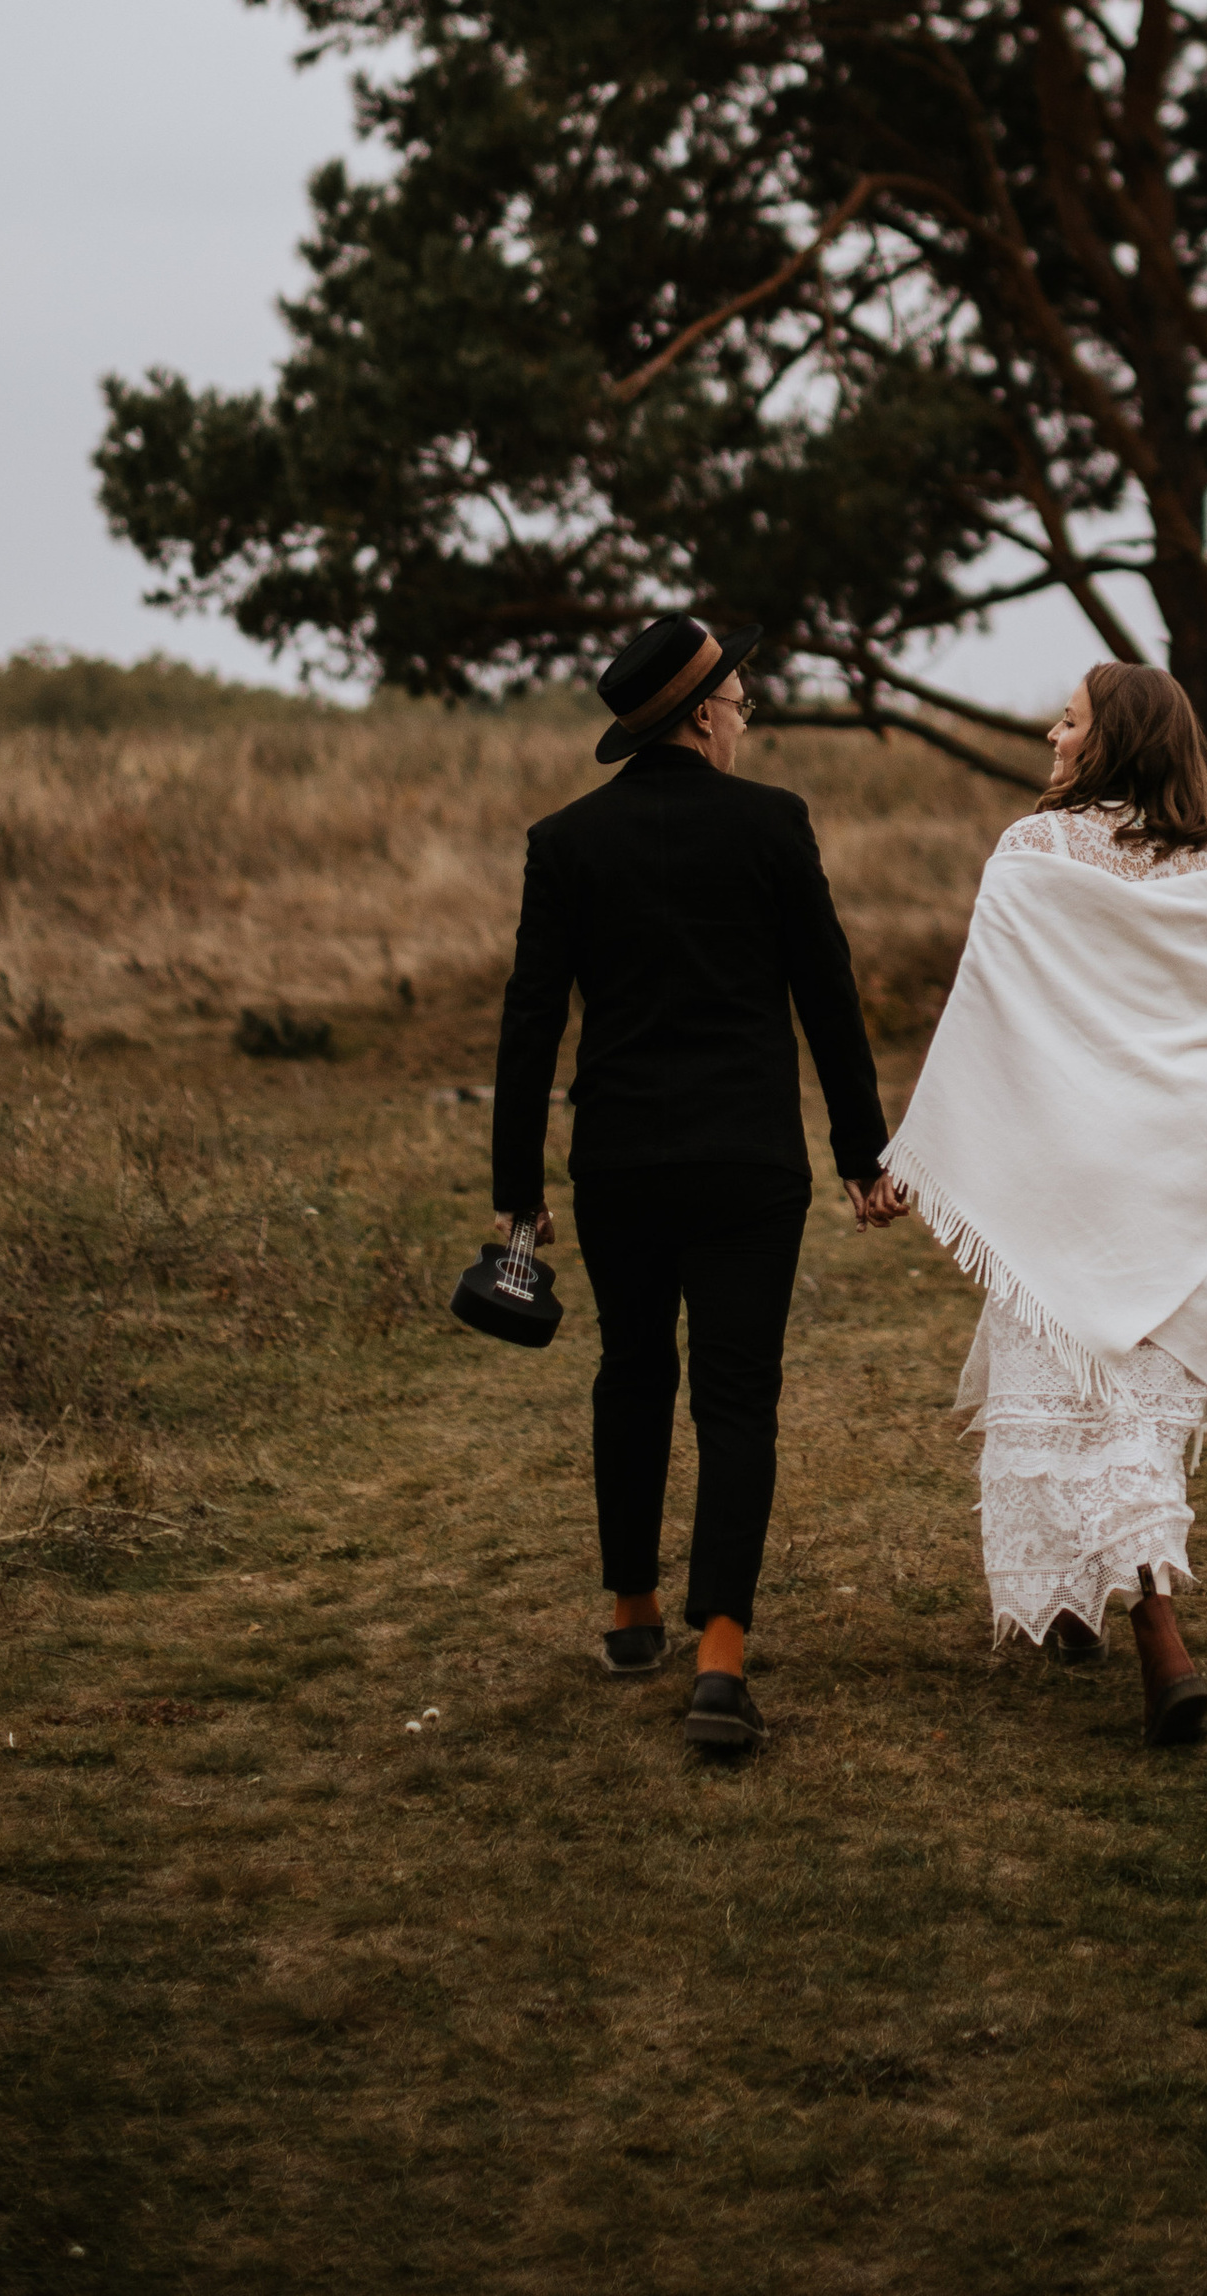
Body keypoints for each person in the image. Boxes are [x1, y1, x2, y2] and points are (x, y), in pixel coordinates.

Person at [489, 613, 902, 1751]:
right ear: (706, 715)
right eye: (740, 699)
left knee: (631, 1372)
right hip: (745, 1162)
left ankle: (633, 1612)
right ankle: (720, 1660)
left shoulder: (564, 842)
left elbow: (530, 1022)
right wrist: (862, 1156)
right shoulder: (773, 823)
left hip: (618, 1161)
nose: (745, 715)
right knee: (735, 1396)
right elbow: (828, 996)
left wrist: (517, 1187)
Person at [885, 662, 1207, 1745]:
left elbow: (988, 1018)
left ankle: (1158, 1636)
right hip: (1176, 1180)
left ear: (1109, 742)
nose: (1052, 736)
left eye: (1068, 722)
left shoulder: (1034, 851)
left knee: (1082, 1394)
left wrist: (917, 1149)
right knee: (1127, 1408)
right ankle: (1085, 1609)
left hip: (1069, 1175)